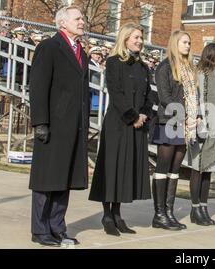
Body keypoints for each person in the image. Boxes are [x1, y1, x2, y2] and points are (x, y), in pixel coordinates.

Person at [28, 6, 89, 246]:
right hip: (52, 127)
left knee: (64, 181)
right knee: (47, 180)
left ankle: (57, 227)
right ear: (63, 23)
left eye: (82, 18)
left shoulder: (80, 52)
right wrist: (40, 122)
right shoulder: (49, 47)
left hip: (74, 128)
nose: (82, 21)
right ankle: (40, 230)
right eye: (78, 18)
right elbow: (38, 86)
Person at [89, 23, 155, 236]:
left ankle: (118, 215)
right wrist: (132, 116)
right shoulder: (113, 62)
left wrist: (144, 114)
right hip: (119, 124)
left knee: (126, 170)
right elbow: (115, 93)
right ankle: (107, 215)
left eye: (141, 38)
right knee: (113, 168)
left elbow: (149, 95)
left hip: (138, 126)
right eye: (136, 37)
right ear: (125, 39)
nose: (139, 41)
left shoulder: (144, 67)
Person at [151, 30, 197, 231]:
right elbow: (165, 97)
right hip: (168, 122)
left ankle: (168, 212)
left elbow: (193, 97)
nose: (188, 45)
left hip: (185, 125)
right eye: (184, 42)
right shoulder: (164, 67)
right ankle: (159, 214)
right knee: (163, 168)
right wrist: (184, 116)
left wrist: (195, 116)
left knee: (175, 170)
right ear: (175, 44)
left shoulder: (188, 68)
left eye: (189, 42)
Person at [188, 43, 215, 226]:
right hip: (204, 128)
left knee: (209, 172)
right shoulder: (201, 75)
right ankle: (194, 208)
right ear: (210, 55)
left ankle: (203, 207)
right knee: (198, 169)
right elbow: (196, 99)